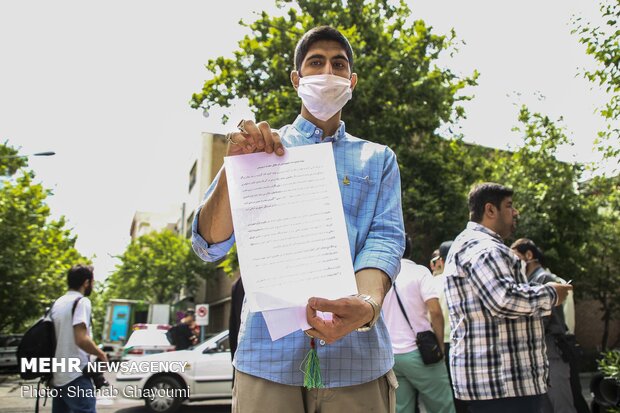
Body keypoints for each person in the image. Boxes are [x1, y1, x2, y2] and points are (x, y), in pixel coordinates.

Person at [192, 25, 405, 413]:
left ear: (351, 80)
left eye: (338, 64)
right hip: (268, 360)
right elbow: (208, 246)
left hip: (357, 361)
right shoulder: (260, 147)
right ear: (297, 78)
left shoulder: (379, 158)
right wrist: (233, 169)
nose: (327, 71)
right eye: (315, 62)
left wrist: (367, 304)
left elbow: (385, 239)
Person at [443, 183, 573, 413]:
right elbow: (503, 299)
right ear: (490, 210)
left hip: (499, 384)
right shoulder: (485, 247)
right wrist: (552, 293)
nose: (515, 212)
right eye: (509, 206)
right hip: (502, 386)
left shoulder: (473, 244)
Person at [383, 235, 455, 413]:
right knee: (442, 406)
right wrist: (439, 347)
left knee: (401, 408)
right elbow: (435, 311)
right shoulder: (419, 272)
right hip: (420, 353)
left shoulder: (383, 276)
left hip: (391, 356)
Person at [510, 238, 580, 413]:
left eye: (516, 257)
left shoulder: (544, 278)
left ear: (529, 255)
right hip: (538, 354)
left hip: (552, 351)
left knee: (561, 405)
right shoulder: (526, 281)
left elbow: (545, 316)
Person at [50, 264, 107, 413]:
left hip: (58, 377)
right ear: (86, 282)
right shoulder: (81, 302)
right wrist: (101, 354)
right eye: (92, 282)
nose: (92, 285)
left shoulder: (58, 303)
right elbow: (81, 339)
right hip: (76, 376)